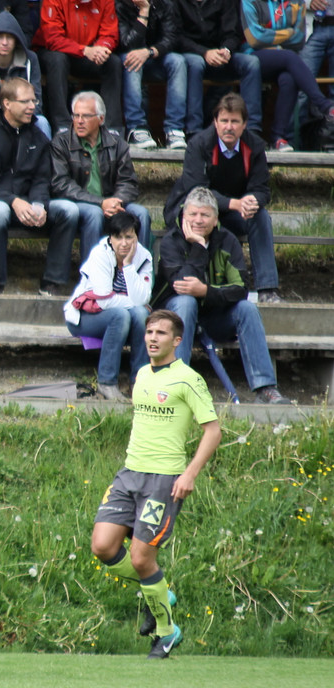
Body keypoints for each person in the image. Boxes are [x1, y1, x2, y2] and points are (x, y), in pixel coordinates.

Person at [91, 308, 221, 659]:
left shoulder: (188, 380)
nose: (152, 338)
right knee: (102, 546)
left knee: (140, 558)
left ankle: (167, 632)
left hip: (163, 480)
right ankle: (161, 592)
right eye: (149, 332)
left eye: (161, 333)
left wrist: (189, 474)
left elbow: (213, 431)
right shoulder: (142, 374)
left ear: (177, 340)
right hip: (129, 473)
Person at [152, 186, 290, 404]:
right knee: (186, 302)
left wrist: (206, 291)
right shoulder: (171, 241)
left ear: (216, 219)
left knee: (247, 309)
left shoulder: (228, 241)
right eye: (193, 214)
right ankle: (175, 385)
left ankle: (265, 388)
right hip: (176, 318)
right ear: (184, 215)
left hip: (214, 316)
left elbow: (240, 288)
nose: (198, 220)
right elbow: (182, 284)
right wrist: (199, 247)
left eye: (205, 215)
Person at [163, 93, 280, 303]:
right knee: (201, 215)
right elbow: (196, 189)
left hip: (233, 213)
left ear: (244, 124)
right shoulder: (198, 144)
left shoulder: (255, 146)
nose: (229, 127)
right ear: (215, 122)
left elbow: (262, 188)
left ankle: (267, 289)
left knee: (260, 216)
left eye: (235, 121)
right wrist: (234, 203)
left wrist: (252, 200)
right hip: (196, 210)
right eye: (224, 121)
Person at [0, 77, 78, 295]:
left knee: (69, 210)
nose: (32, 106)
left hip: (26, 205)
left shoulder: (39, 137)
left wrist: (39, 205)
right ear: (7, 103)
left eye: (34, 101)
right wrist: (13, 201)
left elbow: (41, 180)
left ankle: (51, 283)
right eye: (25, 101)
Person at [163, 0, 263, 138]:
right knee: (195, 63)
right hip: (191, 54)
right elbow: (174, 36)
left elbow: (232, 33)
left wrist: (226, 49)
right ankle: (193, 130)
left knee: (251, 62)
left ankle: (252, 130)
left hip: (219, 55)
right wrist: (204, 52)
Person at [241, 0, 334, 151]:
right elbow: (254, 38)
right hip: (253, 57)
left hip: (283, 59)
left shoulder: (295, 0)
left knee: (289, 77)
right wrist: (285, 35)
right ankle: (325, 105)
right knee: (289, 57)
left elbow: (299, 37)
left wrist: (273, 38)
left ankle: (278, 137)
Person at [33, 0, 124, 135]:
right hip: (56, 53)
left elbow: (110, 32)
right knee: (57, 59)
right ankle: (62, 125)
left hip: (87, 55)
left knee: (113, 62)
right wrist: (85, 50)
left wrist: (102, 48)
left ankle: (112, 128)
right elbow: (52, 38)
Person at [63, 211, 152, 401]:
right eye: (118, 237)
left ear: (137, 237)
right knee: (121, 314)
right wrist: (135, 303)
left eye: (129, 237)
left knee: (141, 315)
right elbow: (104, 300)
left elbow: (144, 296)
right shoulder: (100, 254)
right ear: (110, 238)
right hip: (84, 317)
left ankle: (140, 381)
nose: (124, 243)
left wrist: (128, 266)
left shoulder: (144, 257)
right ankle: (107, 382)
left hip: (123, 319)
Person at [50, 90, 151, 254]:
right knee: (94, 213)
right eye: (76, 115)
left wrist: (116, 202)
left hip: (112, 203)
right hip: (80, 203)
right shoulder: (61, 143)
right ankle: (93, 269)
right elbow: (61, 184)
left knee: (141, 214)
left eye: (86, 116)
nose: (79, 121)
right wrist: (100, 202)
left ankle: (141, 267)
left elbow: (128, 182)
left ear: (101, 119)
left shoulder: (117, 144)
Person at [115, 0, 187, 150]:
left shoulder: (165, 1)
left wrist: (149, 52)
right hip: (127, 59)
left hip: (154, 57)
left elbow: (172, 38)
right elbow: (127, 43)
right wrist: (143, 12)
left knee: (178, 61)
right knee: (131, 59)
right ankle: (136, 127)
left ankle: (174, 129)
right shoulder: (119, 2)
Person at [0, 9, 50, 138]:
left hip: (24, 115)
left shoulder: (30, 59)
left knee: (42, 122)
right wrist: (7, 116)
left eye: (9, 37)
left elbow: (36, 100)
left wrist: (17, 114)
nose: (5, 42)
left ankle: (46, 152)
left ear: (16, 40)